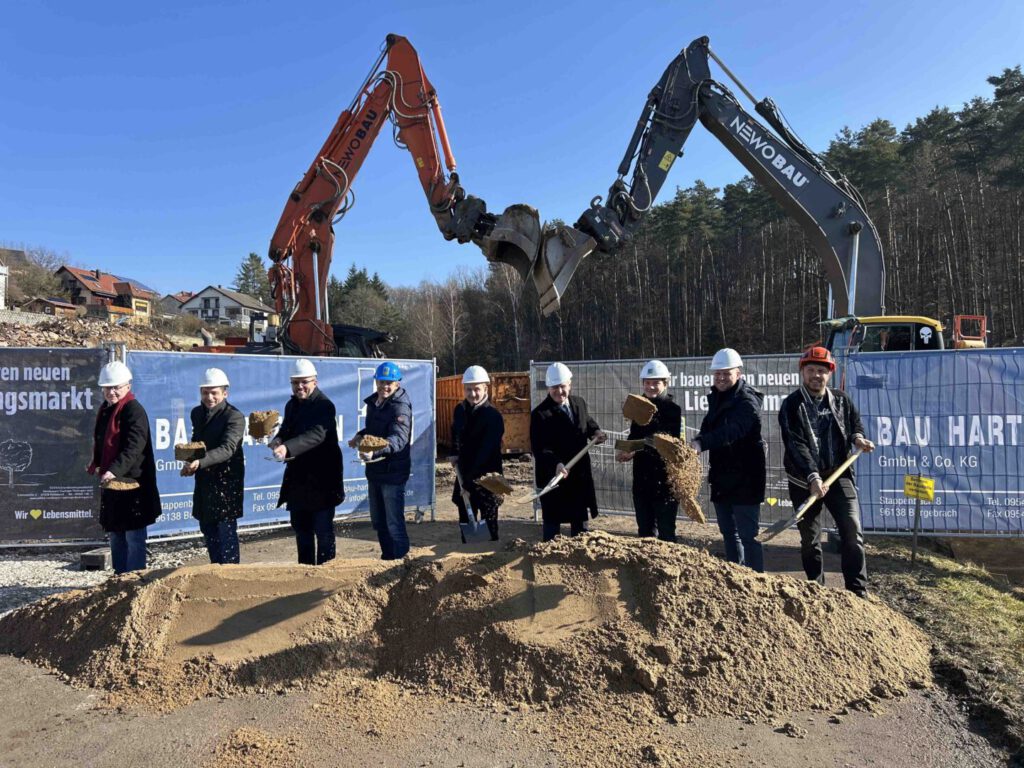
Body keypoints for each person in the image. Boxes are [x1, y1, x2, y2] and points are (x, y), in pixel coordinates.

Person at [778, 346, 876, 597]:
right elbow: (796, 445)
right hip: (803, 481)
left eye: (821, 371)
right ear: (803, 372)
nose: (816, 375)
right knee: (810, 541)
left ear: (830, 373)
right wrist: (813, 477)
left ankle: (857, 591)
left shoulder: (841, 400)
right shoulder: (791, 405)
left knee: (852, 531)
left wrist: (858, 439)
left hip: (839, 474)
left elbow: (855, 424)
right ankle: (816, 590)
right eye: (811, 370)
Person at [692, 348, 766, 572]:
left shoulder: (747, 402)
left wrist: (701, 444)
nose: (721, 378)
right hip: (722, 476)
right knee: (728, 532)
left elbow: (732, 431)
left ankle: (756, 580)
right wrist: (696, 439)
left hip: (746, 477)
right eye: (717, 374)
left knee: (748, 535)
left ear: (739, 374)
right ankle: (735, 575)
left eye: (726, 373)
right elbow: (709, 425)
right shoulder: (716, 397)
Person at [86, 360, 161, 574]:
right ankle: (120, 578)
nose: (111, 392)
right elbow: (103, 442)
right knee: (116, 534)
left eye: (116, 387)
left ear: (127, 386)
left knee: (134, 536)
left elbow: (134, 447)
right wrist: (97, 463)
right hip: (114, 484)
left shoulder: (133, 410)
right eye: (107, 387)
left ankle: (135, 579)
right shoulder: (106, 410)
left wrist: (113, 470)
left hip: (134, 484)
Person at [270, 358, 344, 565]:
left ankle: (326, 570)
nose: (300, 386)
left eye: (304, 382)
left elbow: (316, 435)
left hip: (323, 480)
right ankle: (304, 571)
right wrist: (278, 439)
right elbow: (287, 429)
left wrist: (287, 448)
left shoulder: (324, 406)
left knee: (323, 530)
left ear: (315, 382)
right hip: (298, 479)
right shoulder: (291, 404)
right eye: (295, 383)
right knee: (301, 529)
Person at [530, 362, 607, 541]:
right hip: (554, 477)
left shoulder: (578, 403)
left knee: (580, 524)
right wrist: (556, 463)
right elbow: (539, 448)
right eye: (554, 387)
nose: (559, 391)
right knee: (552, 525)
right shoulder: (541, 414)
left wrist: (595, 431)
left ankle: (580, 558)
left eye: (562, 386)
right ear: (548, 388)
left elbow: (586, 422)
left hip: (578, 475)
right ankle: (549, 558)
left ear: (569, 384)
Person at [180, 367, 245, 564]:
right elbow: (196, 443)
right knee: (208, 528)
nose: (209, 397)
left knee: (225, 532)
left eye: (214, 393)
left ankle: (231, 574)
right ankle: (215, 569)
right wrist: (189, 462)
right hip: (204, 481)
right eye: (205, 392)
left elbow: (228, 448)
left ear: (225, 393)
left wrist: (200, 462)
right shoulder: (197, 413)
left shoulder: (234, 417)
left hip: (226, 482)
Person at [350, 361, 413, 560]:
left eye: (389, 383)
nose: (384, 386)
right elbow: (374, 431)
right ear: (376, 381)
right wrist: (360, 436)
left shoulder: (400, 407)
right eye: (381, 381)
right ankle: (387, 559)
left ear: (397, 384)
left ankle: (401, 566)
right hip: (375, 472)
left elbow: (399, 439)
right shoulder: (374, 404)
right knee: (379, 521)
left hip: (393, 473)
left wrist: (374, 452)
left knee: (394, 523)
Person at [616, 360, 682, 542]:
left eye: (656, 383)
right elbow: (634, 435)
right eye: (647, 382)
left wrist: (635, 448)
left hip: (665, 481)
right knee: (645, 532)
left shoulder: (672, 410)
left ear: (665, 384)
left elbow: (665, 441)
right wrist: (624, 450)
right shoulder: (639, 406)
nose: (651, 387)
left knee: (666, 532)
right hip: (642, 481)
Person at [451, 365, 505, 542]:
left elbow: (486, 452)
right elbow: (455, 433)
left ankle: (490, 558)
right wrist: (454, 452)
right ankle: (467, 553)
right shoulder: (460, 410)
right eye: (468, 389)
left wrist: (468, 481)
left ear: (485, 389)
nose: (472, 394)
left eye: (477, 389)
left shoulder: (493, 416)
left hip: (488, 478)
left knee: (489, 524)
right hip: (465, 475)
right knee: (466, 520)